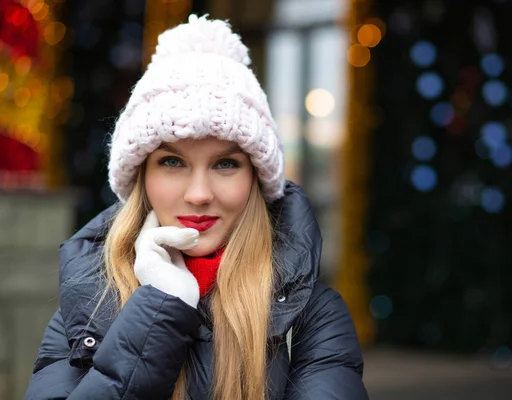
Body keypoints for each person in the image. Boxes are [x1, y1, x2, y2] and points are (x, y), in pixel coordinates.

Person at [25, 15, 368, 400]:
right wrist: (161, 308)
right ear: (141, 178)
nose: (200, 193)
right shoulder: (88, 305)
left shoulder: (312, 316)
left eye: (226, 164)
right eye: (172, 162)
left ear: (256, 178)